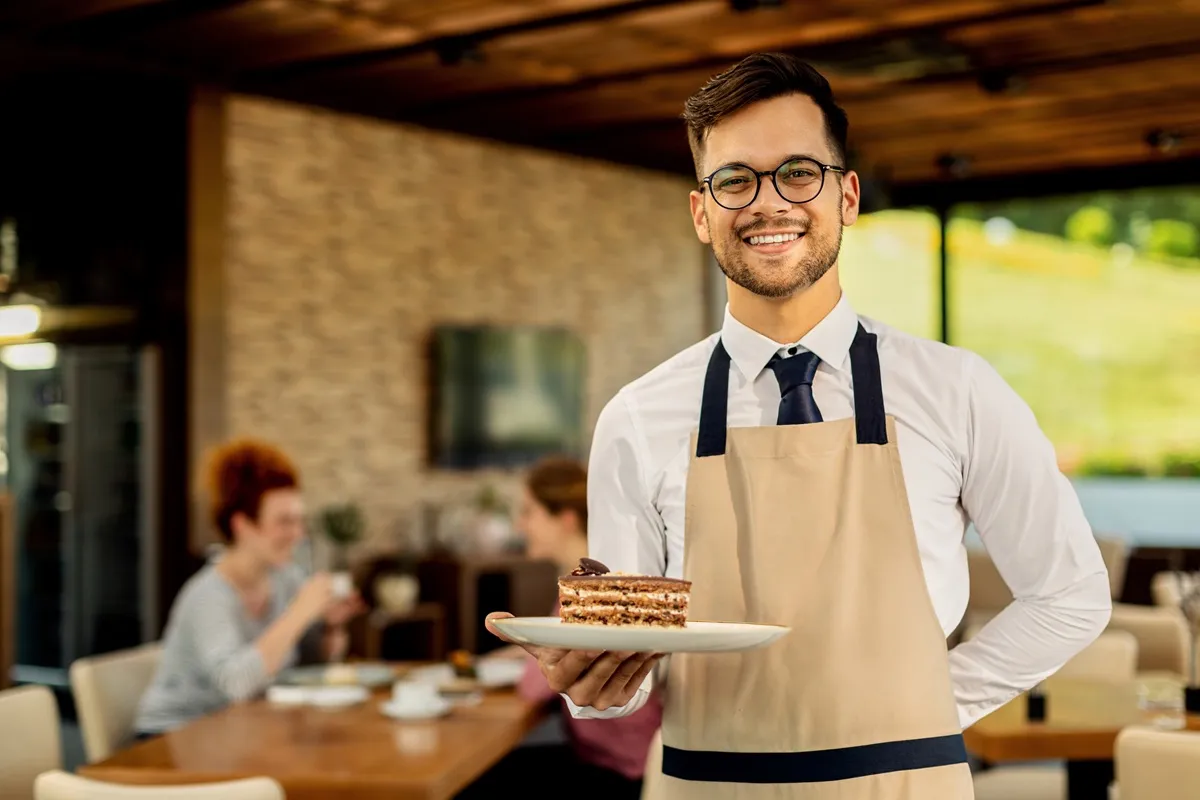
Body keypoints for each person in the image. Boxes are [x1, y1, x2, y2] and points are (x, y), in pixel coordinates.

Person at [486, 52, 1112, 798]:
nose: (768, 202)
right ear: (701, 212)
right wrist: (591, 683)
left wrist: (930, 703)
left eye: (798, 173)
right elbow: (626, 671)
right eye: (735, 180)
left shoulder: (958, 391)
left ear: (846, 196)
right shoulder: (636, 417)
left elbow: (1068, 594)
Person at [460, 457, 661, 799]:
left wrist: (517, 657)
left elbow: (533, 687)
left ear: (565, 520)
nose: (521, 526)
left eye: (529, 512)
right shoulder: (597, 572)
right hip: (615, 757)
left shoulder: (587, 590)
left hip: (620, 771)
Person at [135, 438, 365, 735]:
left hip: (237, 734)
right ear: (242, 524)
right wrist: (299, 612)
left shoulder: (286, 578)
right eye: (284, 522)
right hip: (172, 739)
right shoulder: (208, 595)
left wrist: (331, 626)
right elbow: (236, 685)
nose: (297, 534)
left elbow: (305, 664)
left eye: (299, 521)